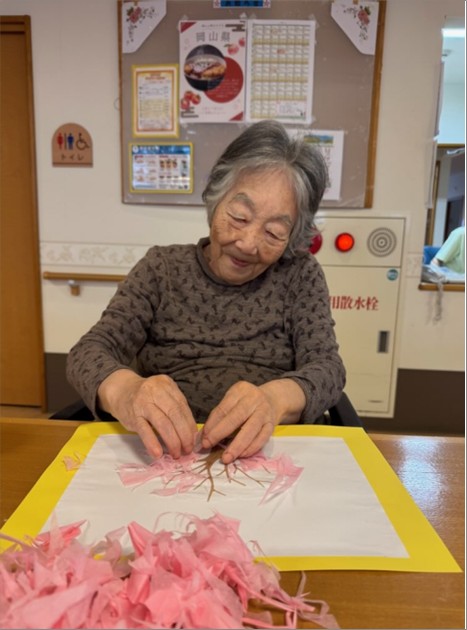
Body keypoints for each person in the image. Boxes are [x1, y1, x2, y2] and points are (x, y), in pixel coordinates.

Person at [66, 120, 346, 465]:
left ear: (293, 237)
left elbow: (328, 369)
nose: (248, 243)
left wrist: (274, 400)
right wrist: (127, 391)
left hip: (267, 454)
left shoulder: (299, 275)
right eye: (239, 217)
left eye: (273, 232)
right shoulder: (161, 269)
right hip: (168, 454)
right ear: (216, 199)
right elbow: (88, 352)